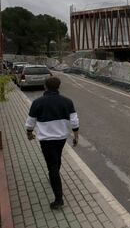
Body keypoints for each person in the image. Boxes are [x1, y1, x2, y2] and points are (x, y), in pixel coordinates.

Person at [25, 76, 79, 210]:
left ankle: (59, 199)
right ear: (58, 87)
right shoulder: (67, 101)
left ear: (45, 87)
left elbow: (30, 122)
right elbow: (74, 121)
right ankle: (54, 178)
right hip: (61, 139)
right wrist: (76, 136)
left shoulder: (37, 102)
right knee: (57, 159)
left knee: (52, 166)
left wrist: (29, 133)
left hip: (47, 140)